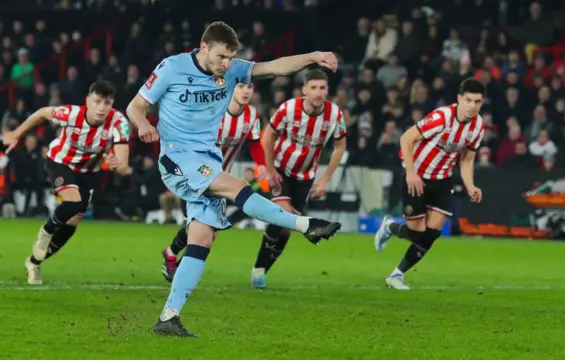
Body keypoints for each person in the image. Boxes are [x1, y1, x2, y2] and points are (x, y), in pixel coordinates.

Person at [125, 21, 342, 337]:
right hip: (178, 156)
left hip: (207, 158)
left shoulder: (234, 71)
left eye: (230, 59)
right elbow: (135, 105)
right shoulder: (172, 68)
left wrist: (314, 55)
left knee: (201, 239)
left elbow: (275, 67)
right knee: (238, 186)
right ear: (204, 48)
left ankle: (168, 317)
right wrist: (143, 124)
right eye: (221, 57)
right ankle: (305, 226)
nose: (226, 65)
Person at [2, 80, 132, 285]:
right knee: (72, 204)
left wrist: (117, 165)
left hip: (89, 173)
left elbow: (124, 167)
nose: (101, 108)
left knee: (72, 222)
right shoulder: (71, 114)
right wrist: (17, 134)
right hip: (60, 162)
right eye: (97, 101)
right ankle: (46, 230)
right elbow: (43, 113)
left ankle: (34, 261)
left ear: (112, 103)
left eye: (107, 103)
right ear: (88, 101)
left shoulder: (119, 123)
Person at [373, 78, 485, 290]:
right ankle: (389, 227)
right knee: (417, 232)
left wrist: (470, 186)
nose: (472, 106)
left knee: (432, 233)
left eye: (477, 101)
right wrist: (411, 173)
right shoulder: (442, 117)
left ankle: (396, 275)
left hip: (442, 180)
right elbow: (406, 138)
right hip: (416, 176)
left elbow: (467, 159)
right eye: (468, 100)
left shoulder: (478, 126)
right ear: (459, 99)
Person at [251, 69, 347, 288]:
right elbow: (269, 136)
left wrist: (324, 179)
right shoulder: (289, 109)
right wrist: (269, 168)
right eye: (313, 88)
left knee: (286, 228)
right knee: (283, 216)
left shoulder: (335, 115)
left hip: (305, 176)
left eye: (322, 88)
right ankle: (258, 271)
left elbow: (340, 146)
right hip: (281, 169)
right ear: (304, 90)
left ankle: (261, 269)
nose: (318, 93)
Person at [161, 82, 266, 282]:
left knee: (211, 234)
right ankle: (179, 267)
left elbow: (254, 145)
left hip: (219, 181)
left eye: (250, 87)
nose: (245, 91)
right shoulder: (212, 109)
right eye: (241, 86)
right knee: (200, 230)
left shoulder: (252, 116)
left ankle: (172, 254)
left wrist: (262, 165)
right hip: (194, 175)